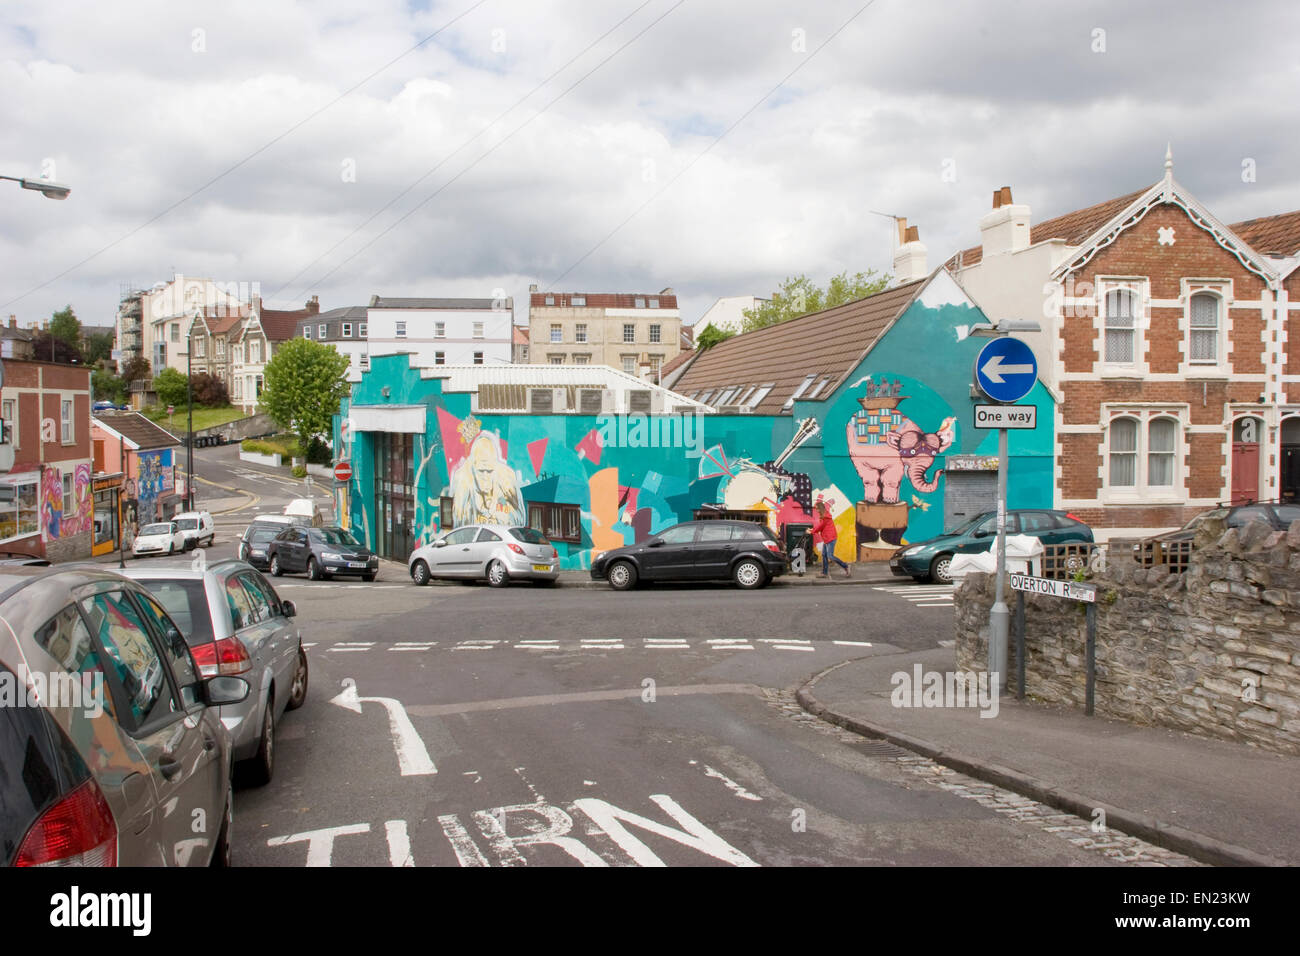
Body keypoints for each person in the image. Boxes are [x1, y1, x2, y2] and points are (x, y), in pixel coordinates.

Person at [812, 501, 851, 578]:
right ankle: (824, 572)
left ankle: (846, 566)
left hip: (830, 538)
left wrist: (811, 531)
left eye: (817, 509)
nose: (816, 510)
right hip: (827, 538)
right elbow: (821, 527)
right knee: (824, 555)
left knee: (830, 556)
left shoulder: (825, 517)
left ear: (820, 508)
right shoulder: (825, 515)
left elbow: (820, 527)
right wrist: (812, 530)